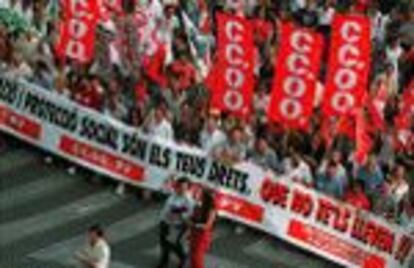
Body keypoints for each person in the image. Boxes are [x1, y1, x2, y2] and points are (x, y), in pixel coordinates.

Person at [158, 177, 194, 268]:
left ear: (187, 188)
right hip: (165, 221)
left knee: (174, 244)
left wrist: (178, 213)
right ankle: (164, 261)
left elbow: (189, 215)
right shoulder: (173, 194)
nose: (180, 189)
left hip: (176, 225)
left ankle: (183, 258)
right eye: (178, 186)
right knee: (163, 242)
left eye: (183, 187)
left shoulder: (189, 200)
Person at [190, 188, 217, 268]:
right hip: (194, 234)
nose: (199, 196)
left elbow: (208, 225)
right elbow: (192, 217)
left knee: (197, 258)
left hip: (202, 236)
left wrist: (195, 225)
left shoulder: (211, 210)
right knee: (193, 256)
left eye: (202, 195)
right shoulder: (198, 206)